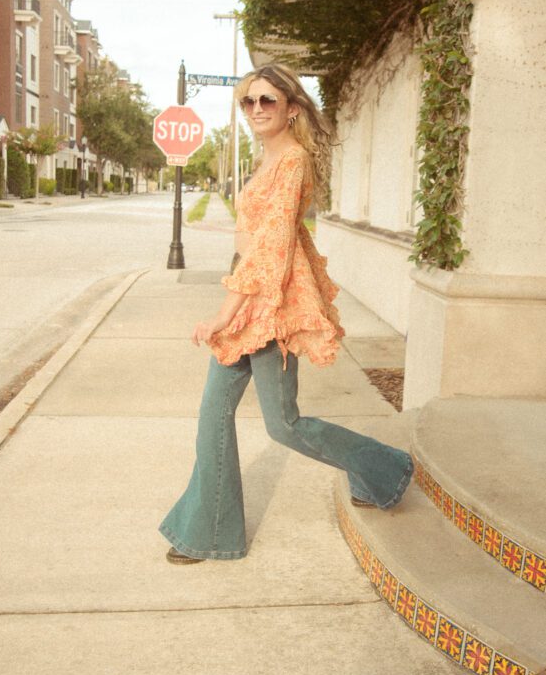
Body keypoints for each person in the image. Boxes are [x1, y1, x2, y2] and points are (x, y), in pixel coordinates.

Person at [159, 63, 413, 564]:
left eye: (267, 100)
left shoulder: (293, 160)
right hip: (248, 295)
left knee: (284, 425)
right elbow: (250, 243)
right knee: (213, 415)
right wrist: (234, 298)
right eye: (249, 101)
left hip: (270, 305)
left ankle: (384, 469)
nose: (256, 109)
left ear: (291, 108)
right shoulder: (266, 158)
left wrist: (223, 314)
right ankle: (209, 532)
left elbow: (273, 247)